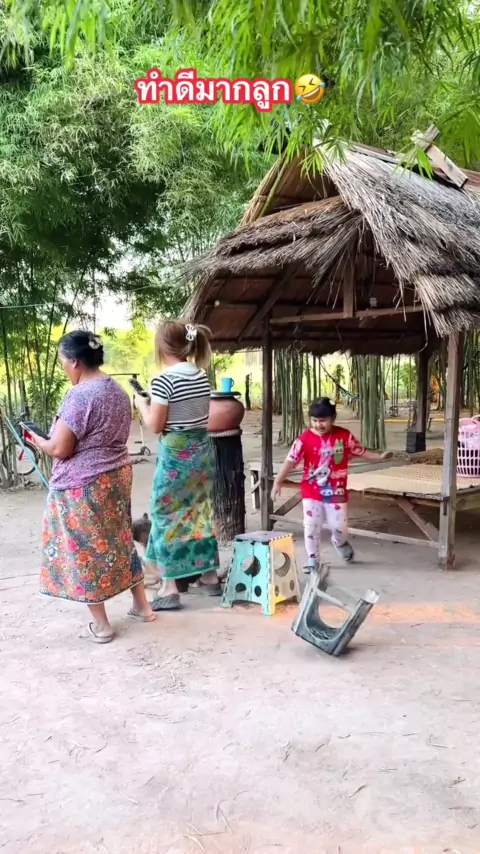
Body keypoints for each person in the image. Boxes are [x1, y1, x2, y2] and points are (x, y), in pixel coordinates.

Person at [31, 330, 155, 643]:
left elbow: (60, 448)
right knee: (120, 539)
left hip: (82, 485)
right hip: (116, 477)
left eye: (63, 361)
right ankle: (142, 606)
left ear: (74, 361)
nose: (63, 367)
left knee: (82, 548)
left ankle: (102, 625)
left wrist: (38, 441)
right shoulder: (116, 390)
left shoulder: (80, 395)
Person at [134, 320, 221, 611]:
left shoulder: (164, 380)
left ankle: (169, 586)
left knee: (165, 513)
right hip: (202, 451)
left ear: (162, 346)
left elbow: (155, 425)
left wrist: (141, 404)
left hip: (176, 454)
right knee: (199, 511)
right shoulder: (200, 374)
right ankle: (208, 575)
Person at [271, 397, 392, 571]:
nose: (318, 425)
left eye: (323, 420)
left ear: (333, 419)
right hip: (311, 490)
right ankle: (313, 559)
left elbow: (360, 451)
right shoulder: (304, 439)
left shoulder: (344, 436)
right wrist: (278, 481)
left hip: (337, 491)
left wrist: (379, 457)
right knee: (311, 526)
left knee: (339, 527)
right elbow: (290, 460)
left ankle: (339, 542)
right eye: (315, 420)